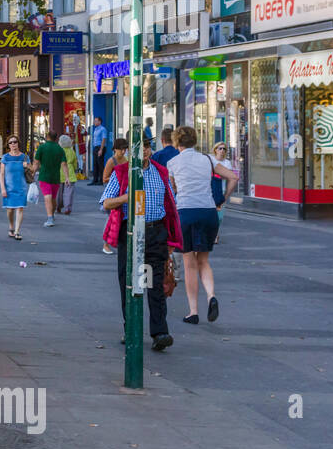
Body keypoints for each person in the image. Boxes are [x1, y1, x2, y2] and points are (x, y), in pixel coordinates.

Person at [100, 141, 183, 351]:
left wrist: (171, 239)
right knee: (130, 282)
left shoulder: (160, 172)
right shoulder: (122, 172)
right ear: (129, 150)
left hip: (156, 232)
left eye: (146, 146)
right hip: (130, 233)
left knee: (155, 282)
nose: (144, 151)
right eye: (139, 147)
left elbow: (170, 205)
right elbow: (105, 203)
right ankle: (132, 329)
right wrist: (126, 197)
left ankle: (160, 332)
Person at [168, 126, 237, 325]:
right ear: (195, 141)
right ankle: (211, 295)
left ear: (176, 142)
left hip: (186, 212)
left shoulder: (173, 162)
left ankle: (193, 311)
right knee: (204, 261)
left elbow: (173, 189)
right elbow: (233, 177)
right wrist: (223, 198)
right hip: (208, 212)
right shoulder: (208, 159)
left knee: (189, 264)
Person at [100, 138, 130, 254]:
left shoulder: (126, 159)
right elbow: (104, 178)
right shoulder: (111, 161)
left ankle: (114, 241)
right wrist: (117, 178)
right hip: (113, 193)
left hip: (123, 192)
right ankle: (106, 244)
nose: (123, 152)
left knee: (119, 218)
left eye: (125, 149)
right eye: (121, 150)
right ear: (115, 149)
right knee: (110, 218)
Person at [0, 135, 30, 240]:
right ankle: (11, 226)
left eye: (15, 142)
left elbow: (32, 171)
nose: (13, 144)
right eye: (10, 143)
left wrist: (27, 166)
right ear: (8, 145)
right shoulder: (5, 158)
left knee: (20, 208)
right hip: (9, 188)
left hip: (21, 187)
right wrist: (3, 188)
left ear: (18, 143)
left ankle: (17, 231)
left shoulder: (24, 157)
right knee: (10, 210)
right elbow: (1, 174)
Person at [33, 131, 66, 227]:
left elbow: (36, 162)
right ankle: (52, 214)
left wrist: (33, 173)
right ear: (56, 138)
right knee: (53, 198)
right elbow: (64, 164)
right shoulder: (60, 149)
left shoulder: (42, 147)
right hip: (56, 177)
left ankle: (50, 219)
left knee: (47, 198)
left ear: (47, 137)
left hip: (44, 176)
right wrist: (67, 177)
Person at [210, 142, 238, 245]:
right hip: (210, 190)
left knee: (219, 216)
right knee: (210, 213)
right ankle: (212, 234)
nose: (222, 151)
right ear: (215, 149)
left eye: (224, 149)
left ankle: (215, 233)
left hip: (221, 191)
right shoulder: (211, 159)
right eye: (220, 148)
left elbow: (229, 177)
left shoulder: (227, 163)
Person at [58, 134, 79, 215]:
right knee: (69, 193)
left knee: (59, 192)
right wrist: (74, 169)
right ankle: (68, 208)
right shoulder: (71, 151)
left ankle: (58, 206)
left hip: (60, 171)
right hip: (70, 173)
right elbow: (74, 163)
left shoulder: (59, 151)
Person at [87, 117, 108, 185]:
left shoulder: (103, 129)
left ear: (99, 122)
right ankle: (95, 180)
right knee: (95, 164)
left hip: (100, 147)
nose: (94, 122)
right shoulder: (95, 129)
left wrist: (101, 150)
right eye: (94, 121)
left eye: (96, 121)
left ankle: (101, 180)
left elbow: (104, 139)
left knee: (100, 164)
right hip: (95, 147)